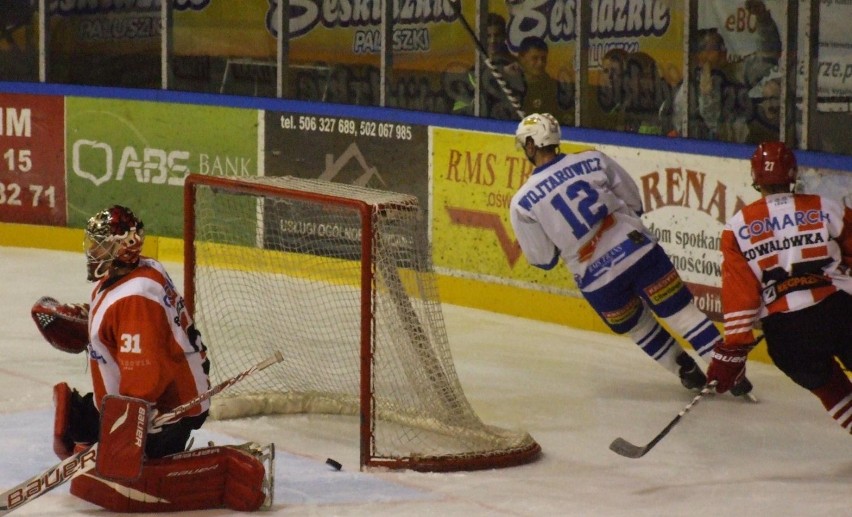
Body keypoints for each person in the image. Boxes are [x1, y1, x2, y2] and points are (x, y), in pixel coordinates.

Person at [32, 205, 272, 512]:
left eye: (101, 244)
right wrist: (89, 325)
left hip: (164, 412)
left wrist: (125, 433)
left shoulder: (136, 298)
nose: (93, 251)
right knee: (72, 414)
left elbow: (145, 377)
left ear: (124, 247)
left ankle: (160, 453)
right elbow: (126, 334)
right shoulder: (142, 271)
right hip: (162, 395)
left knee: (83, 432)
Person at [508, 113, 753, 395]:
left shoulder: (522, 203)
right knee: (682, 313)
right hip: (639, 251)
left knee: (638, 327)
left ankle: (684, 369)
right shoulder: (592, 159)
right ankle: (735, 377)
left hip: (598, 281)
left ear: (530, 145)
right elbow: (633, 200)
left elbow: (544, 259)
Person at [707, 142, 852, 434]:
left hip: (787, 333)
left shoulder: (736, 228)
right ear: (792, 174)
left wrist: (732, 351)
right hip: (838, 310)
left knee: (831, 388)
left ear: (755, 178)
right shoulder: (827, 207)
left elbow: (742, 296)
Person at [504, 37, 573, 125]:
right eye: (535, 58)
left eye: (543, 59)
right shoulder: (508, 84)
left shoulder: (554, 88)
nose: (540, 63)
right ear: (521, 58)